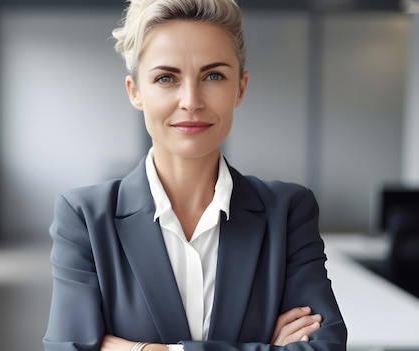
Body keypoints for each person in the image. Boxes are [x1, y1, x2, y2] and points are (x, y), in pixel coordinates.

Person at [43, 0, 347, 350]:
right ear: (135, 91)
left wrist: (146, 350)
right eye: (166, 78)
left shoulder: (289, 210)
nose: (191, 100)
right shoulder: (84, 217)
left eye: (213, 76)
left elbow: (323, 346)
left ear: (241, 88)